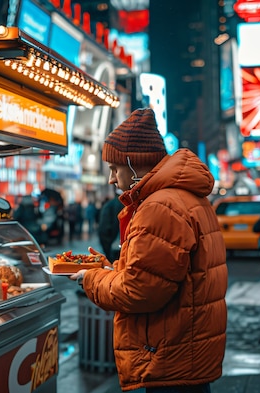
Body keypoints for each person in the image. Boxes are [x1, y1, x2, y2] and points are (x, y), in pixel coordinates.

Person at [69, 108, 228, 392]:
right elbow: (161, 274)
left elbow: (139, 291)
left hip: (170, 356)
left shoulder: (159, 206)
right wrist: (113, 270)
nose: (111, 179)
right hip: (185, 350)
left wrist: (90, 279)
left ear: (132, 164)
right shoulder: (185, 197)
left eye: (114, 169)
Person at [97, 192, 123, 261]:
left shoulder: (109, 205)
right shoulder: (135, 204)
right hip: (127, 249)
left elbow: (103, 231)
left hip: (114, 249)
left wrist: (108, 251)